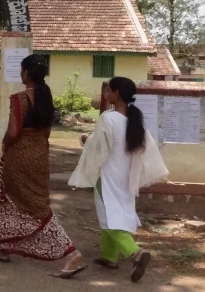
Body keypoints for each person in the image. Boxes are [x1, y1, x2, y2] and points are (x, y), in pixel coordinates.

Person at [0, 54, 85, 278]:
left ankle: (71, 252)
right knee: (12, 202)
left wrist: (5, 143)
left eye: (21, 70)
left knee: (35, 208)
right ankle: (5, 248)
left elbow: (13, 132)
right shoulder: (46, 98)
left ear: (26, 73)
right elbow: (46, 132)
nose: (20, 74)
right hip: (39, 155)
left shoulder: (19, 99)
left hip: (19, 158)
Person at [69, 77, 168, 283]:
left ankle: (136, 253)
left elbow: (100, 149)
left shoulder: (108, 117)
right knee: (114, 214)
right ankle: (109, 257)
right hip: (127, 177)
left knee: (108, 216)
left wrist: (86, 141)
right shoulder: (135, 120)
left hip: (108, 176)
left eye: (108, 90)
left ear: (116, 95)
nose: (105, 94)